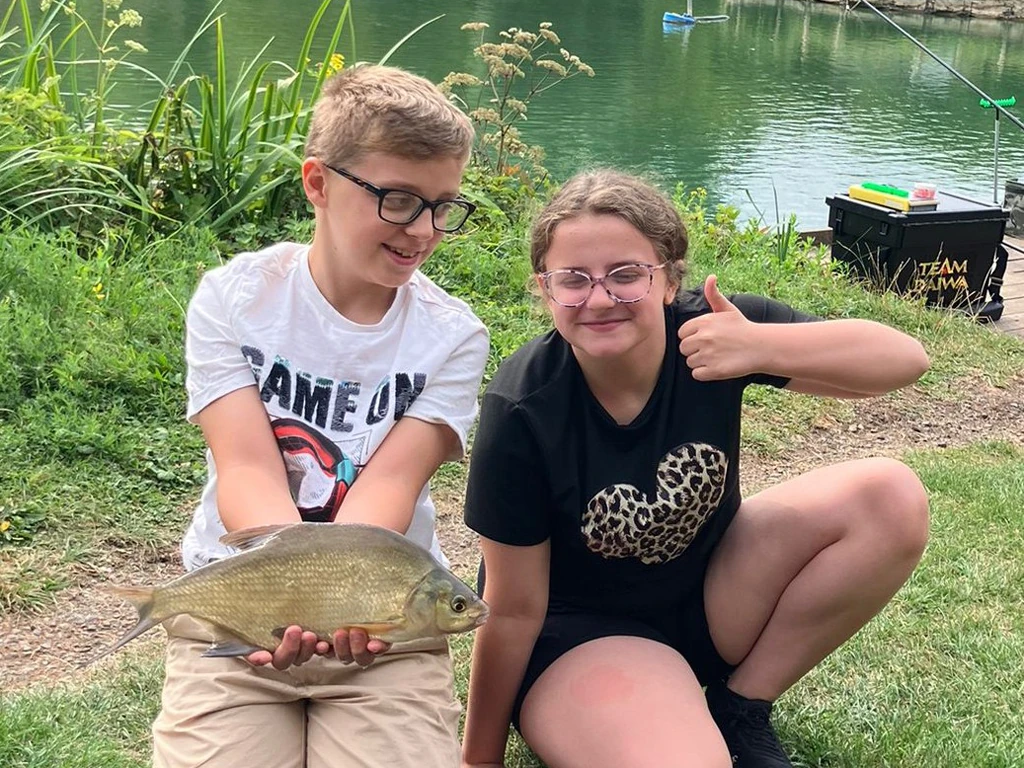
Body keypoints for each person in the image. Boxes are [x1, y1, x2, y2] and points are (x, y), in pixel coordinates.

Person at [460, 170, 931, 768]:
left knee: (889, 495)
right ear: (545, 290)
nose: (600, 298)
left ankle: (742, 705)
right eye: (572, 280)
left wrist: (761, 347)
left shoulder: (715, 333)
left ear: (669, 280)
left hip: (710, 600)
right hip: (578, 636)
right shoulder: (523, 407)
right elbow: (513, 608)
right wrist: (479, 759)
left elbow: (904, 360)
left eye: (627, 274)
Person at [153, 64, 489, 768]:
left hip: (386, 628)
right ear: (318, 183)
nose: (423, 230)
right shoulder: (233, 299)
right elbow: (245, 464)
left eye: (443, 205)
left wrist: (343, 603)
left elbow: (390, 488)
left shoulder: (454, 335)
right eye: (398, 200)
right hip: (237, 609)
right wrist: (288, 606)